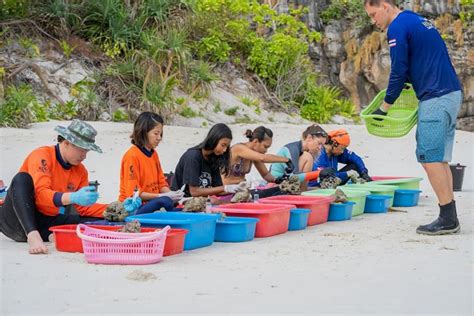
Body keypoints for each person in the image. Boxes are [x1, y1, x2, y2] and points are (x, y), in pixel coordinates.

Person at [365, 0, 463, 235]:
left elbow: (398, 70)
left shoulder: (397, 27)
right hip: (451, 93)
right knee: (438, 158)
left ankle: (447, 218)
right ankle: (450, 214)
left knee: (429, 157)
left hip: (435, 96)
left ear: (386, 6)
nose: (373, 21)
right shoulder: (417, 20)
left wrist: (384, 108)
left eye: (373, 14)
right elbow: (421, 60)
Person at [0, 120, 115, 254]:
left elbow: (84, 209)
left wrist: (114, 209)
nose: (84, 156)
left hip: (46, 220)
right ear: (66, 143)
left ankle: (46, 234)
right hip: (16, 219)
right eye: (82, 150)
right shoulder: (42, 156)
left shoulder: (81, 171)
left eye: (87, 151)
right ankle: (33, 235)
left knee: (95, 221)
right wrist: (73, 197)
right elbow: (42, 195)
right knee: (21, 178)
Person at [119, 112, 184, 215]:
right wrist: (161, 196)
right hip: (134, 207)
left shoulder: (153, 154)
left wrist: (172, 194)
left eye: (161, 134)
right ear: (143, 132)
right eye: (156, 133)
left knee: (174, 203)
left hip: (152, 203)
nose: (159, 138)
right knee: (165, 201)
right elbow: (134, 193)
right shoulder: (132, 156)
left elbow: (161, 183)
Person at [171, 123, 241, 203]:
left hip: (199, 200)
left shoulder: (212, 157)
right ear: (214, 139)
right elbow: (194, 192)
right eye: (223, 145)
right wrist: (225, 188)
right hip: (182, 200)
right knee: (215, 202)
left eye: (227, 147)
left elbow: (217, 189)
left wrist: (237, 189)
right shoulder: (193, 157)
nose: (225, 150)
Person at [270, 124, 336, 190]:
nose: (320, 148)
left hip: (283, 182)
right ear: (309, 138)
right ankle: (303, 191)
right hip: (273, 185)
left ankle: (303, 190)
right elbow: (294, 176)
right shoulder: (293, 149)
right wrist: (319, 173)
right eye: (319, 143)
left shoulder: (300, 150)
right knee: (308, 157)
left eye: (322, 145)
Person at [223, 126, 291, 185]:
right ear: (255, 141)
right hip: (225, 191)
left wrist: (277, 180)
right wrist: (286, 160)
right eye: (265, 147)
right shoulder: (239, 148)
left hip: (240, 190)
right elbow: (263, 158)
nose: (266, 151)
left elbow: (266, 175)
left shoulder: (254, 155)